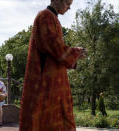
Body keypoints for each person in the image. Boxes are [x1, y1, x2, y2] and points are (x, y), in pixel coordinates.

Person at [20, 0, 87, 130]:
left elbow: (55, 50)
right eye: (68, 3)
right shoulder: (45, 16)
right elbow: (52, 46)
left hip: (54, 82)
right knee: (46, 121)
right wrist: (76, 52)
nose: (69, 8)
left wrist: (74, 54)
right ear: (56, 0)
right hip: (45, 83)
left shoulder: (52, 17)